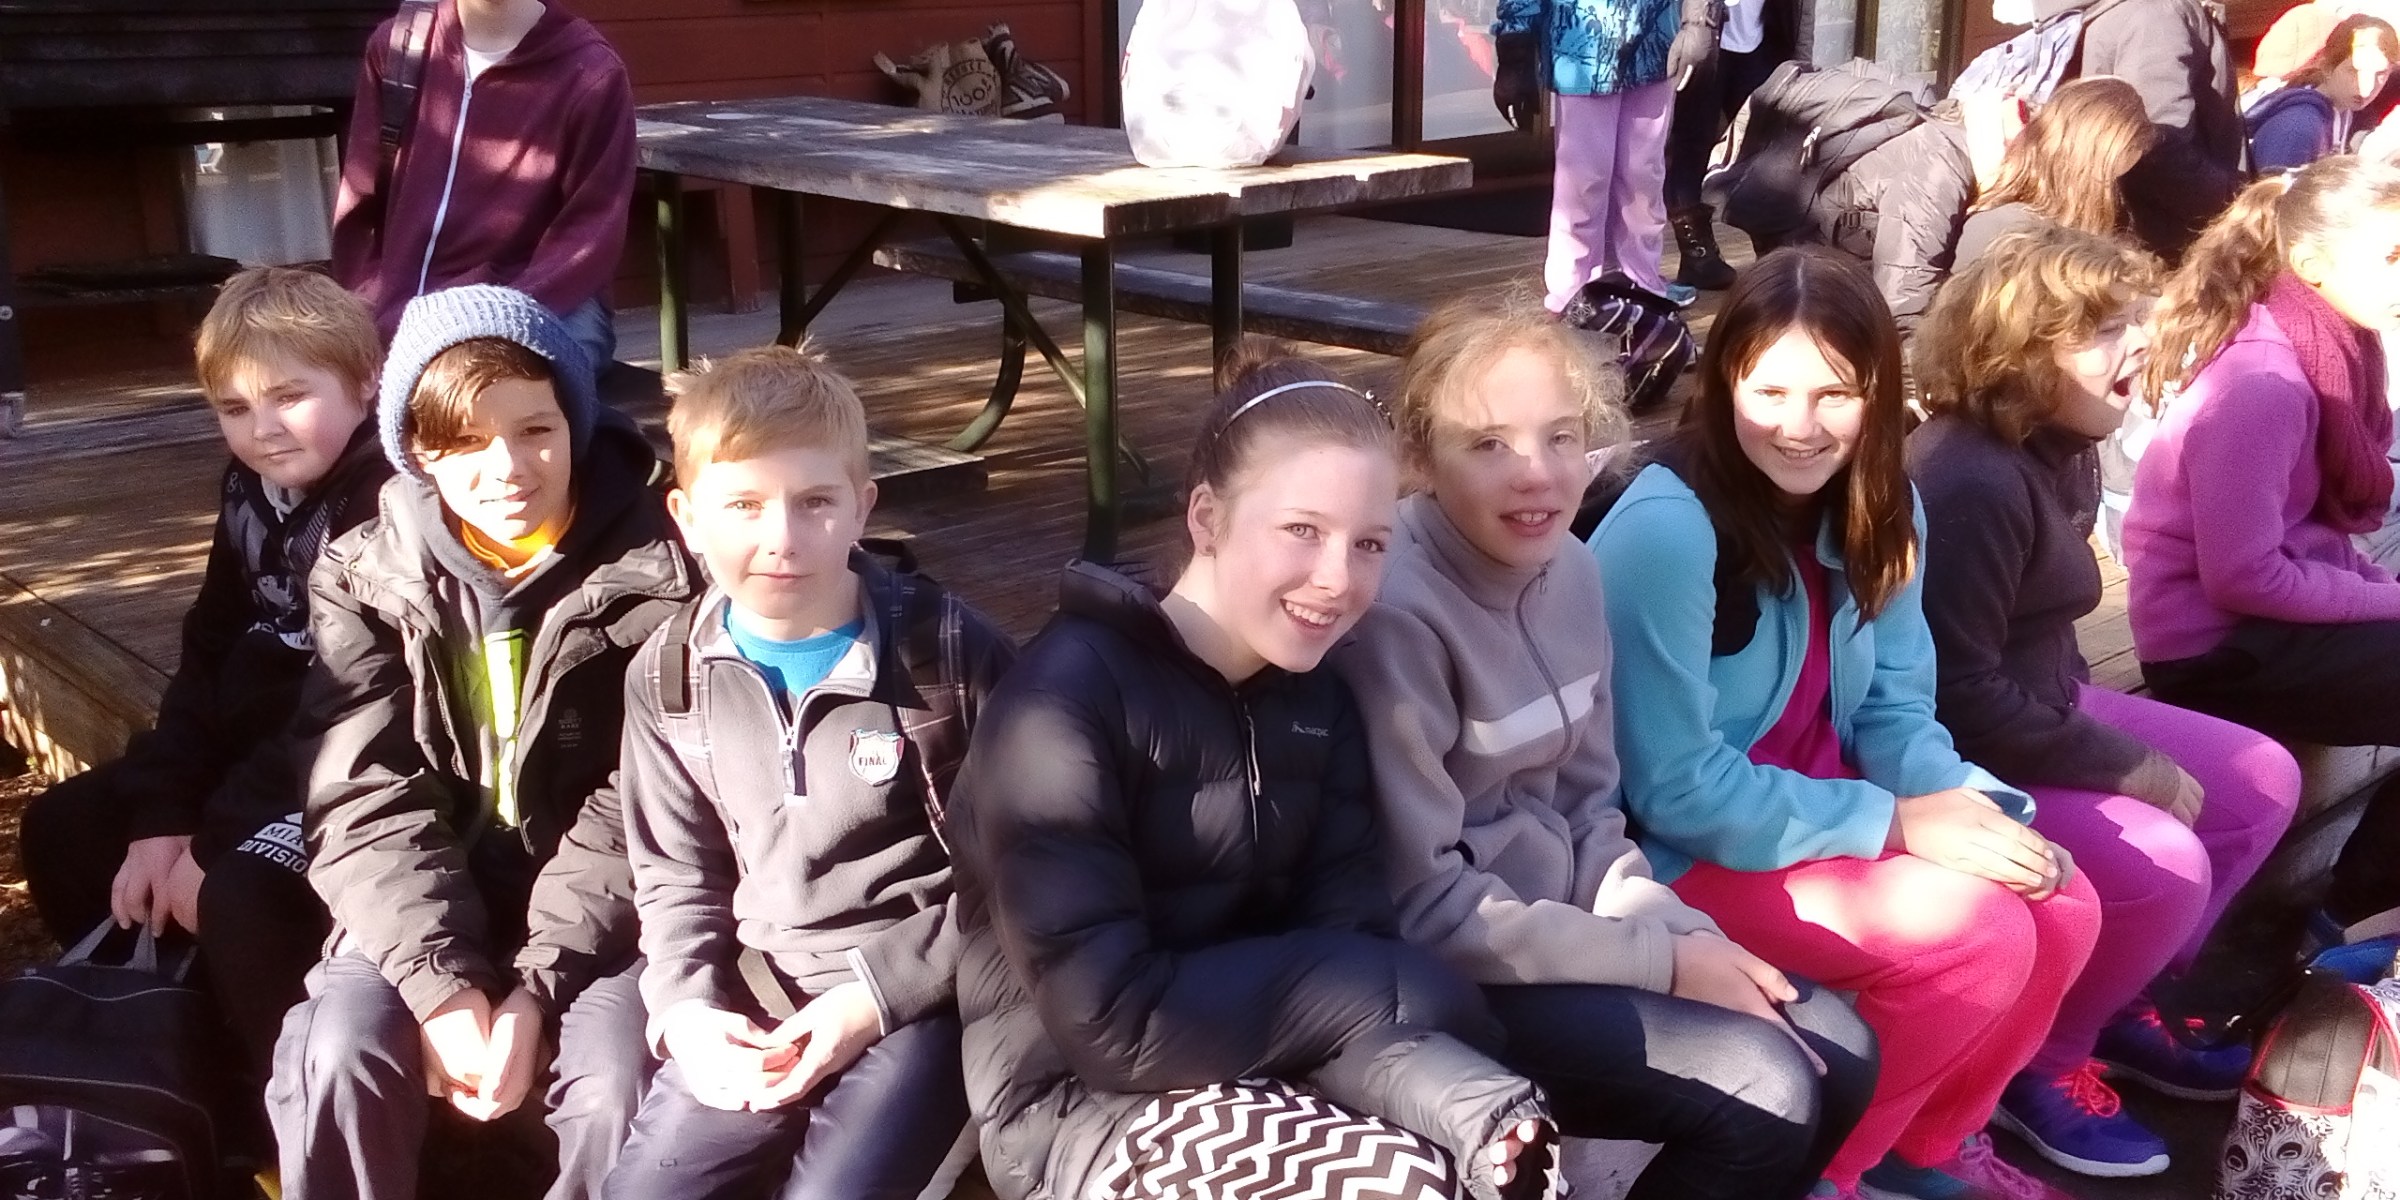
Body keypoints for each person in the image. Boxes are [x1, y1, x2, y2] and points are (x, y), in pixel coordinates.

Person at [947, 345, 1556, 1200]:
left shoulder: (1318, 700)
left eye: (1370, 543)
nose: (1337, 580)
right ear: (1207, 517)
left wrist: (1462, 1098)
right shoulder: (1059, 708)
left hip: (1276, 1068)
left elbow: (1344, 957)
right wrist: (1398, 987)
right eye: (1302, 531)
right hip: (1083, 1108)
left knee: (1508, 1158)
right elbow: (1116, 1028)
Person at [1334, 290, 1879, 1200]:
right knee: (1765, 1084)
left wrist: (1684, 934)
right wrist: (1664, 963)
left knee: (1843, 1049)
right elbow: (1427, 906)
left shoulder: (1574, 570)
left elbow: (1591, 811)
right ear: (1421, 457)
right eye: (1488, 444)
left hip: (1567, 935)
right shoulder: (1397, 617)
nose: (1537, 476)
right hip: (1448, 977)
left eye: (1561, 437)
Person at [1590, 246, 2101, 1200]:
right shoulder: (1669, 530)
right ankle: (1832, 1176)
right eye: (1769, 392)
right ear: (1724, 385)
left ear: (1879, 393)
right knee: (1979, 937)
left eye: (1834, 394)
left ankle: (1924, 1149)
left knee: (2066, 906)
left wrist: (1977, 808)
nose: (1799, 426)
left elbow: (1894, 710)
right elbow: (1674, 789)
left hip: (1820, 821)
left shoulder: (1884, 504)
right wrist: (1900, 824)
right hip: (1675, 854)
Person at [271, 285, 700, 1200]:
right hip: (426, 897)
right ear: (416, 450)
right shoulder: (365, 572)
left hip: (610, 912)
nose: (506, 467)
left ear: (575, 422)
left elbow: (642, 802)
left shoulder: (665, 573)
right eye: (465, 441)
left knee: (617, 1083)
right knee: (338, 1049)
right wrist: (441, 983)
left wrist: (535, 989)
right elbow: (361, 793)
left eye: (536, 429)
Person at [1908, 227, 2303, 1179]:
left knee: (2260, 780)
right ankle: (2037, 1069)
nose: (2143, 341)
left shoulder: (2064, 441)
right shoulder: (1968, 479)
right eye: (2105, 330)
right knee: (2165, 863)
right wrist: (2123, 763)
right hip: (1957, 751)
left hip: (2046, 697)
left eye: (2136, 319)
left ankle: (2111, 1001)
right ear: (2018, 354)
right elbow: (1955, 695)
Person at [603, 345, 1014, 1199]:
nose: (782, 539)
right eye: (744, 505)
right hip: (760, 987)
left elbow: (1021, 872)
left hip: (923, 997)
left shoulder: (947, 653)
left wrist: (870, 999)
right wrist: (688, 1013)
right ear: (685, 516)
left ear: (863, 505)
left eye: (816, 502)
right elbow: (674, 874)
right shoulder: (668, 675)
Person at [19, 266, 391, 1144]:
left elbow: (351, 701)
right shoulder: (251, 489)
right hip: (250, 752)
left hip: (352, 761)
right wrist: (163, 815)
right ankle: (174, 1058)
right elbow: (209, 649)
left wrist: (213, 837)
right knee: (68, 828)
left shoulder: (386, 503)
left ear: (367, 382)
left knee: (242, 893)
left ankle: (289, 1120)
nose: (263, 429)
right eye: (234, 407)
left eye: (290, 397)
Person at [2126, 156, 2400, 942]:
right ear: (2311, 265)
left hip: (2269, 626)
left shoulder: (2337, 346)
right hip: (2214, 648)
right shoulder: (2265, 383)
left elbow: (2311, 536)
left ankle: (2361, 907)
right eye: (2390, 255)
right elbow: (2244, 577)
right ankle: (2350, 917)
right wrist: (2386, 598)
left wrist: (2378, 590)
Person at [331, 0, 635, 368]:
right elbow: (362, 196)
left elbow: (589, 233)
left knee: (491, 384)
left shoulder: (592, 73)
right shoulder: (399, 46)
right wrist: (366, 299)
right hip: (398, 301)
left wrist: (488, 319)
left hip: (534, 302)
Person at [1495, 0, 1725, 309]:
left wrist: (1700, 22)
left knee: (1644, 177)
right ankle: (1572, 292)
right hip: (1581, 51)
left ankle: (1642, 282)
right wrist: (1515, 50)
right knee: (1583, 182)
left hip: (1656, 44)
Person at [2016, 0, 2244, 259]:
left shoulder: (2121, 11)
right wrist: (2232, 202)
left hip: (2129, 236)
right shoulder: (2155, 16)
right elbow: (2156, 148)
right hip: (2172, 244)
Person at [1952, 78, 2161, 269]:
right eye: (2107, 176)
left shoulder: (2089, 227)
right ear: (2085, 165)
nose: (2110, 189)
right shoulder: (2002, 230)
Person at [1662, 0, 1794, 290]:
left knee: (1768, 147)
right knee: (1691, 144)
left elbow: (1804, 8)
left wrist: (1801, 57)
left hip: (1763, 41)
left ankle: (1773, 250)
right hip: (1703, 40)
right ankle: (1698, 257)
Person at [2245, 9, 2400, 172]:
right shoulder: (2298, 127)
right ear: (2327, 67)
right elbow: (2273, 188)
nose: (2366, 89)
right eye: (2354, 71)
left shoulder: (2342, 108)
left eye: (2380, 74)